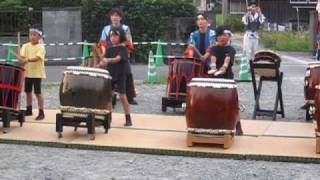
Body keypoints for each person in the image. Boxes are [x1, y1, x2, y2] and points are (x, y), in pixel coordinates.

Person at [99, 8, 138, 105]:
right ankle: (109, 97)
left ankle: (130, 97)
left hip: (122, 54)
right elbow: (103, 42)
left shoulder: (125, 28)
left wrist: (121, 49)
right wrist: (104, 53)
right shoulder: (106, 29)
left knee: (128, 74)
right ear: (110, 17)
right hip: (109, 53)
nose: (115, 17)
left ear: (120, 17)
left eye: (117, 15)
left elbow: (128, 41)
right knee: (109, 75)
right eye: (113, 15)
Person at [98, 26, 132, 126]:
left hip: (121, 74)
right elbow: (104, 63)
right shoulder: (108, 49)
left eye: (115, 35)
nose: (113, 37)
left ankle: (128, 118)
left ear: (120, 36)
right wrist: (98, 65)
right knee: (109, 96)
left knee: (122, 96)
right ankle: (108, 118)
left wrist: (107, 60)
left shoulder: (123, 49)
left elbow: (117, 59)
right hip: (110, 74)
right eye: (111, 35)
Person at [15, 25, 46, 120]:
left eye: (34, 35)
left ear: (39, 37)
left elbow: (37, 58)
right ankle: (29, 110)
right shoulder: (25, 46)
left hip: (37, 73)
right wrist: (20, 57)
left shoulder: (41, 47)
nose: (32, 37)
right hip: (27, 72)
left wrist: (27, 60)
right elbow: (22, 58)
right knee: (28, 92)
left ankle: (41, 112)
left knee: (38, 93)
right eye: (30, 35)